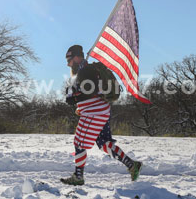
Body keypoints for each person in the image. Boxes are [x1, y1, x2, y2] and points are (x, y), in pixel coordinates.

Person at [61, 45, 142, 186]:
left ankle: (78, 177)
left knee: (79, 143)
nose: (68, 63)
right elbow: (93, 92)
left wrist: (73, 99)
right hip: (101, 110)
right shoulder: (88, 69)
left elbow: (89, 92)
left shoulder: (85, 71)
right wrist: (80, 104)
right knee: (104, 143)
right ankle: (132, 165)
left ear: (76, 57)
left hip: (94, 112)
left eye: (69, 59)